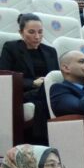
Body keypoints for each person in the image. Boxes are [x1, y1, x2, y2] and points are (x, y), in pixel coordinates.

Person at [0, 14, 59, 143]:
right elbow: (5, 78)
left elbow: (55, 75)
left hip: (47, 91)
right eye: (31, 32)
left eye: (40, 32)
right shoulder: (11, 48)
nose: (37, 36)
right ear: (21, 32)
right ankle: (42, 140)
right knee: (45, 99)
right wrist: (33, 83)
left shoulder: (51, 51)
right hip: (22, 93)